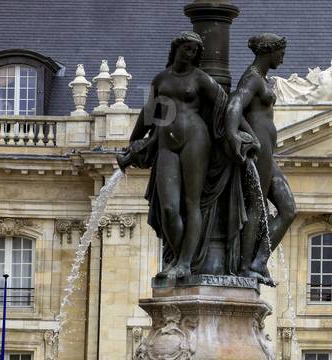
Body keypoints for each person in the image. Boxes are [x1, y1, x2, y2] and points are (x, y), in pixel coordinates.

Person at [119, 31, 235, 282]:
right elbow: (148, 114)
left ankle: (184, 263)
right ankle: (176, 256)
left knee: (192, 202)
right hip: (165, 144)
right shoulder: (161, 79)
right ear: (176, 49)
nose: (190, 53)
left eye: (195, 50)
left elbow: (226, 106)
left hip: (195, 139)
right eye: (187, 48)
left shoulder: (201, 79)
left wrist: (238, 134)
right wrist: (133, 143)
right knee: (170, 206)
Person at [225, 34, 297, 284]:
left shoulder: (260, 78)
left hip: (266, 150)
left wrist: (247, 131)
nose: (283, 57)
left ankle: (259, 260)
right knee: (257, 206)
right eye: (281, 52)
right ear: (270, 51)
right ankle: (246, 265)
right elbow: (234, 104)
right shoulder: (252, 78)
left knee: (288, 209)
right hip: (260, 153)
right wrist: (235, 134)